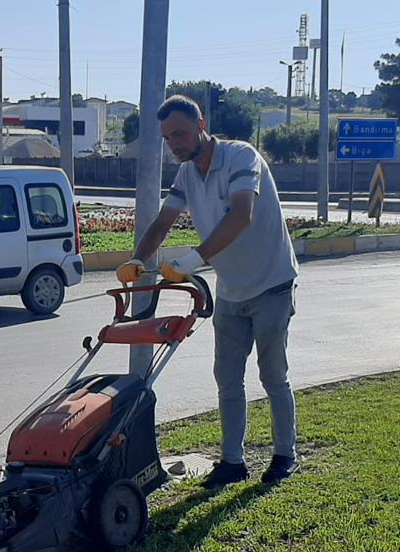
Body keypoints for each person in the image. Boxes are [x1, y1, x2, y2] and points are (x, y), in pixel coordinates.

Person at [119, 95, 301, 488]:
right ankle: (233, 462)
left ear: (201, 126)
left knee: (273, 375)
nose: (175, 143)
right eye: (168, 138)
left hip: (271, 283)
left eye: (181, 133)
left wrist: (194, 258)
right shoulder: (186, 175)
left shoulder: (241, 158)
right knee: (227, 378)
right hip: (232, 290)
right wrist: (138, 260)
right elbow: (163, 221)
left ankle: (285, 455)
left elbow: (242, 214)